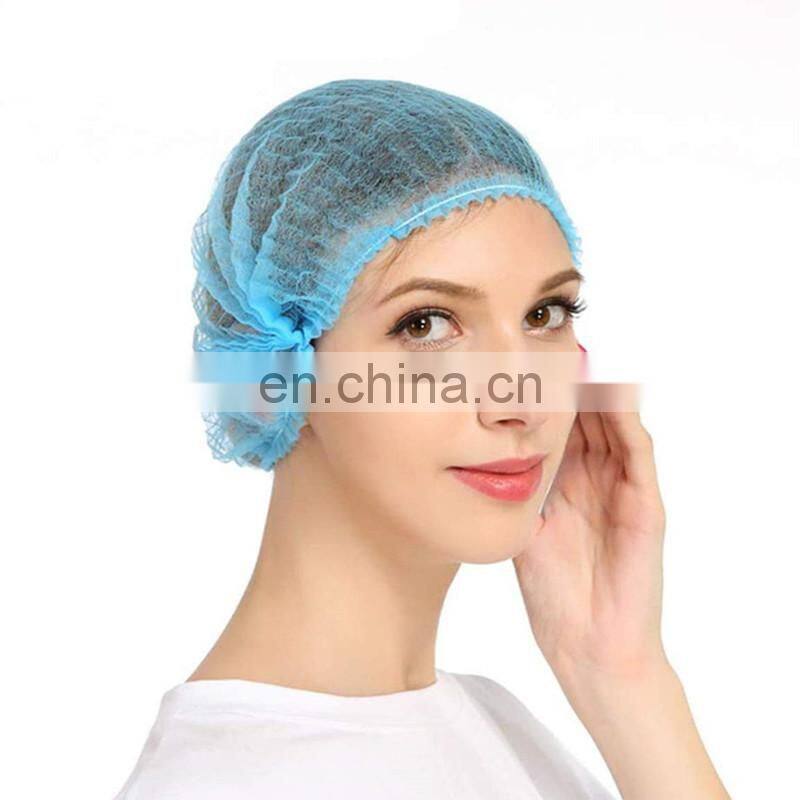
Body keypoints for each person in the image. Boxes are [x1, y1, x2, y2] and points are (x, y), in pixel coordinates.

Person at [112, 79, 730, 799]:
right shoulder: (229, 783)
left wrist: (622, 674)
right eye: (427, 324)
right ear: (274, 366)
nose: (522, 399)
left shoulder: (492, 721)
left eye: (546, 314)